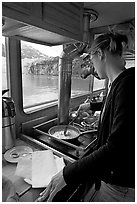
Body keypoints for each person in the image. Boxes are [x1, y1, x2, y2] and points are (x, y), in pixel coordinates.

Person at [36, 33, 135, 202]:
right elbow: (115, 104)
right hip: (114, 180)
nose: (92, 64)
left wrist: (67, 174)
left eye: (91, 58)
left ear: (101, 54)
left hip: (119, 187)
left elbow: (116, 149)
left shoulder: (129, 84)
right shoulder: (121, 83)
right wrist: (92, 106)